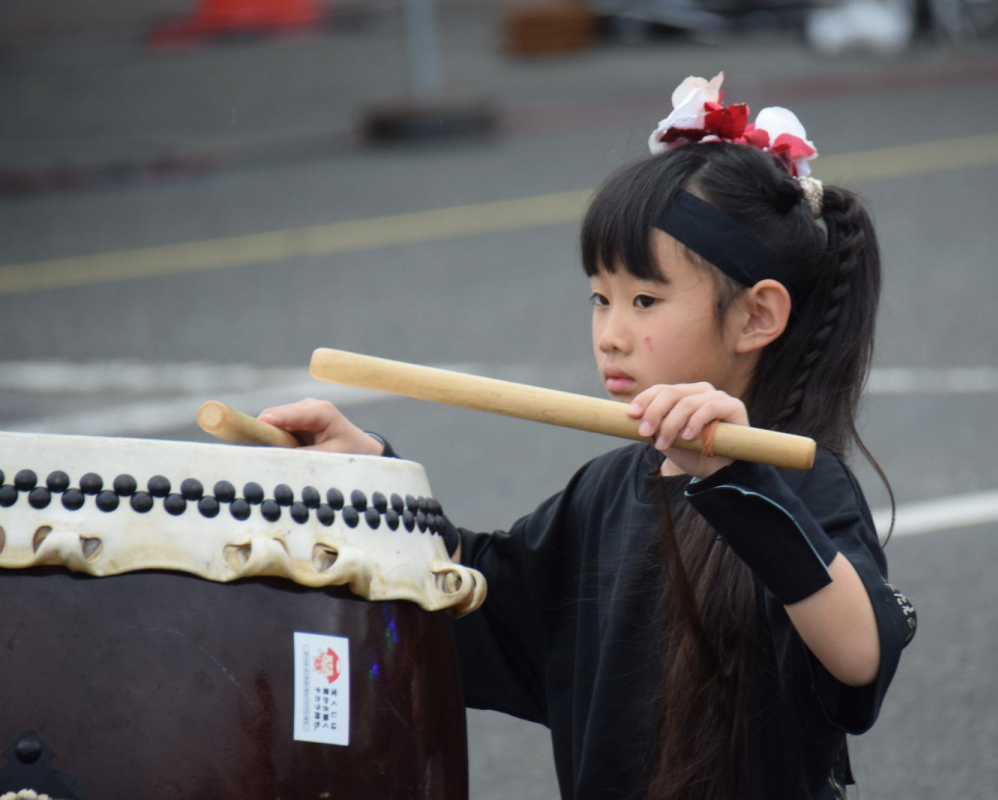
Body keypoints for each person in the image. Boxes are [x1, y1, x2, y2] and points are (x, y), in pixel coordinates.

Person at [258, 73, 917, 800]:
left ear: (757, 317)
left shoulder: (799, 483)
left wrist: (734, 479)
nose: (611, 334)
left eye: (644, 299)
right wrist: (373, 481)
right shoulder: (605, 492)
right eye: (600, 299)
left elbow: (861, 656)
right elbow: (480, 601)